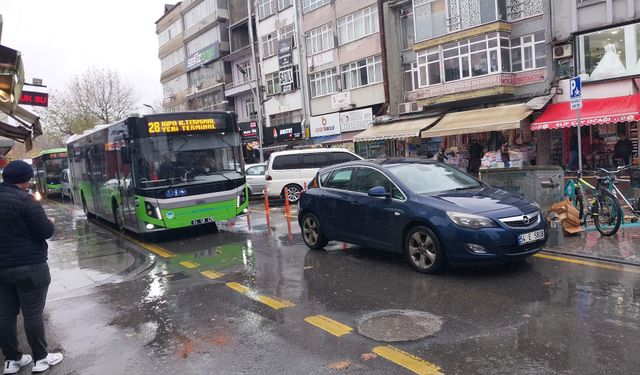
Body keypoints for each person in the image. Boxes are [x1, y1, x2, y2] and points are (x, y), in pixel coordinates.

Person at [0, 161, 63, 374]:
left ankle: (12, 359)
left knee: (5, 314)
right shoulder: (27, 200)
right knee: (33, 314)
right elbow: (44, 231)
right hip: (30, 267)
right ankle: (41, 358)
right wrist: (51, 222)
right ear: (25, 180)